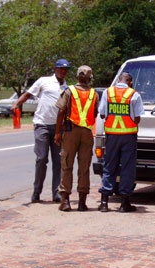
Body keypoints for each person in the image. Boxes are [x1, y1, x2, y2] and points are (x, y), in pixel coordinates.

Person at [11, 58, 70, 203]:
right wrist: (16, 104)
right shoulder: (44, 81)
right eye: (60, 69)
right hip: (42, 124)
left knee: (58, 161)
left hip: (58, 128)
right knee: (41, 158)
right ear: (55, 69)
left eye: (65, 69)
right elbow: (28, 94)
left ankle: (56, 192)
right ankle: (37, 192)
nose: (63, 71)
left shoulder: (67, 88)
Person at [54, 65, 99, 212]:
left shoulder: (69, 91)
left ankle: (65, 201)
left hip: (70, 131)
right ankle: (82, 202)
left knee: (66, 164)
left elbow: (61, 111)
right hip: (86, 133)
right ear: (90, 78)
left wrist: (57, 132)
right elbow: (95, 113)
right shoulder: (94, 94)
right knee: (84, 167)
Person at [98, 72, 144, 212]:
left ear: (119, 80)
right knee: (127, 168)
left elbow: (102, 114)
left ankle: (104, 202)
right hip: (128, 136)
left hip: (111, 136)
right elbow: (137, 118)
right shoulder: (134, 94)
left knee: (109, 166)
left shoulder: (108, 92)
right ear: (130, 82)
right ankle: (124, 203)